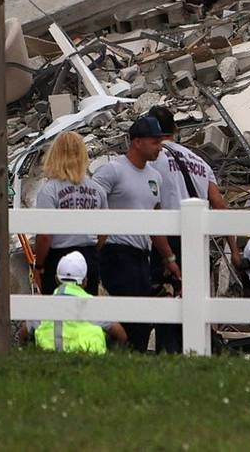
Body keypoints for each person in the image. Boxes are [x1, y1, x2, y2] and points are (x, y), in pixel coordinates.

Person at [146, 106, 237, 354]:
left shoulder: (154, 158)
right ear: (175, 129)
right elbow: (219, 205)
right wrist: (234, 250)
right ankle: (198, 352)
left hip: (168, 240)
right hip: (198, 243)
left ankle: (169, 353)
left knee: (166, 299)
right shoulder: (199, 161)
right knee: (195, 303)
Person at [91, 115, 176, 352]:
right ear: (137, 142)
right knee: (126, 315)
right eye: (155, 142)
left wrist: (169, 258)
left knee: (142, 317)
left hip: (142, 256)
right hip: (116, 253)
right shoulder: (113, 170)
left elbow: (155, 222)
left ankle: (133, 358)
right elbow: (92, 201)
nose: (160, 147)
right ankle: (122, 357)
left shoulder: (155, 177)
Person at [33, 131, 106, 294]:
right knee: (87, 305)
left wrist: (39, 265)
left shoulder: (49, 190)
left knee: (56, 306)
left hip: (58, 258)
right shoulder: (97, 190)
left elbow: (44, 236)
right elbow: (104, 231)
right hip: (88, 257)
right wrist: (94, 251)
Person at [33, 250, 127, 353]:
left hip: (50, 361)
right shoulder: (94, 306)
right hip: (90, 360)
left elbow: (24, 333)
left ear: (56, 279)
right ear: (85, 281)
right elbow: (121, 335)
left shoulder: (44, 307)